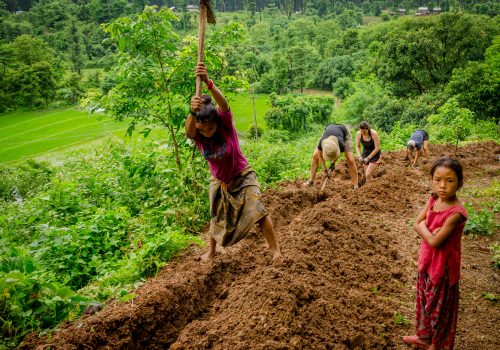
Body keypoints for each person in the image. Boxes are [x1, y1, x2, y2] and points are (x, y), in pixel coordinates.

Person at [185, 63, 281, 261]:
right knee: (216, 217)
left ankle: (275, 251)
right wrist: (192, 111)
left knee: (258, 211)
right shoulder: (197, 134)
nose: (207, 133)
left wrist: (208, 83)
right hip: (219, 181)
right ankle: (211, 251)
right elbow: (188, 131)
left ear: (217, 123)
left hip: (242, 175)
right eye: (202, 130)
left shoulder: (225, 126)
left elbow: (224, 105)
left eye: (210, 129)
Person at [403, 157, 468, 350]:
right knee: (424, 302)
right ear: (431, 179)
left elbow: (433, 241)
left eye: (450, 181)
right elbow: (416, 223)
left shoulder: (456, 213)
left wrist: (424, 228)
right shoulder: (433, 199)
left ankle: (438, 345)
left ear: (459, 183)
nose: (442, 186)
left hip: (443, 269)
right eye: (438, 179)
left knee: (440, 310)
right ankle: (424, 337)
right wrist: (425, 228)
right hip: (427, 263)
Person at [303, 123, 358, 189]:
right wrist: (325, 169)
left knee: (351, 160)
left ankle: (356, 185)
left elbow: (337, 154)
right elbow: (320, 155)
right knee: (315, 156)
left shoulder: (341, 145)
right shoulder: (322, 142)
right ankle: (311, 180)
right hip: (328, 134)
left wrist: (333, 163)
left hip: (343, 132)